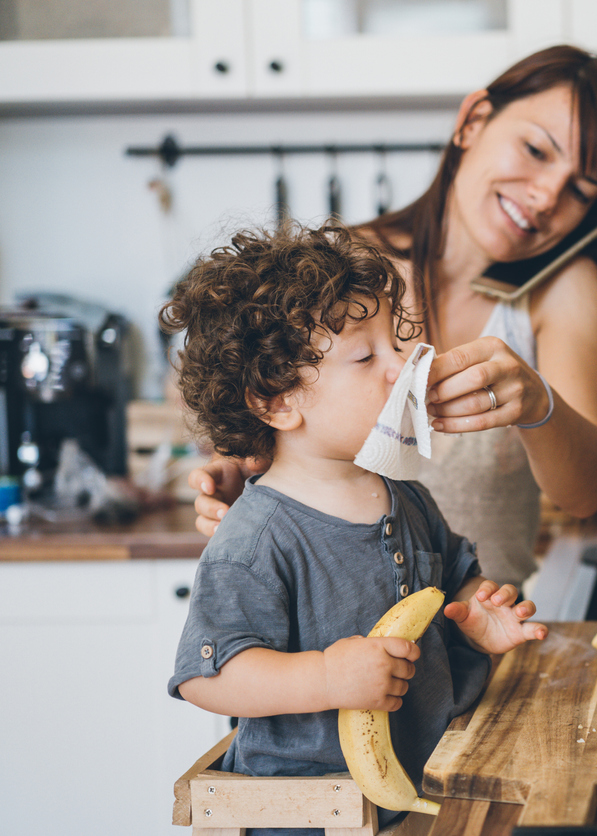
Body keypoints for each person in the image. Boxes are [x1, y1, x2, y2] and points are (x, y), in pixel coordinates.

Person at [189, 45, 597, 589]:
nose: (546, 196)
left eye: (580, 191)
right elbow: (277, 418)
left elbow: (585, 494)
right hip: (344, 650)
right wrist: (250, 464)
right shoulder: (340, 271)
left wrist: (538, 403)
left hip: (484, 640)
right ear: (474, 120)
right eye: (536, 150)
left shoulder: (564, 290)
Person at [163, 223, 546, 834]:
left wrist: (477, 617)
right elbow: (210, 678)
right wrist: (326, 677)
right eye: (366, 357)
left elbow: (457, 582)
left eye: (395, 344)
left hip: (432, 787)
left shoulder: (410, 499)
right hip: (313, 813)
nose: (401, 369)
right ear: (277, 401)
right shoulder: (257, 537)